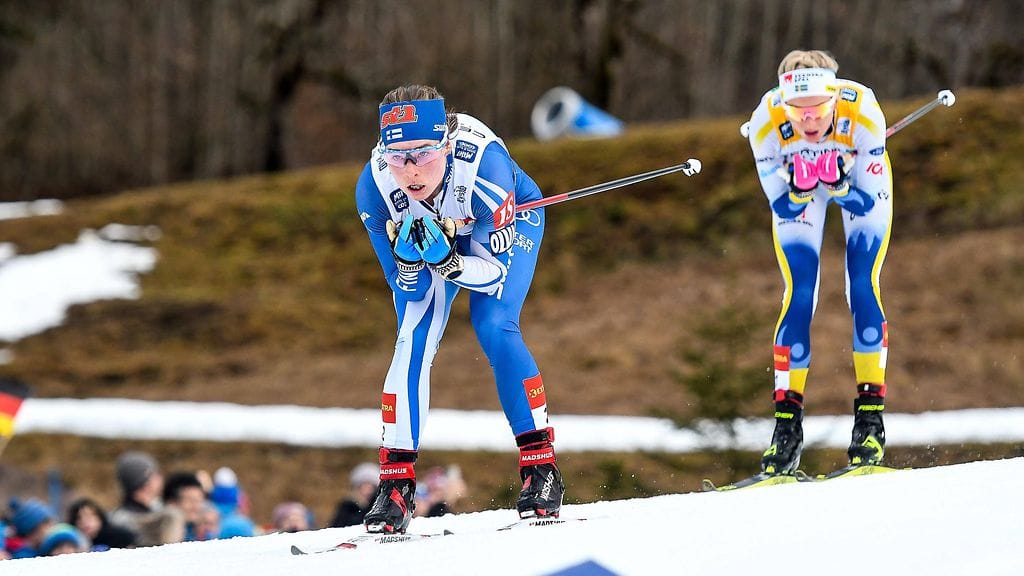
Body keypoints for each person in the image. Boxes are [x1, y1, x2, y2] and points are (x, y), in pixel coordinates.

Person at [355, 84, 563, 533]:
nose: (410, 170)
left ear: (446, 145)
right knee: (413, 335)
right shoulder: (375, 187)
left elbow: (490, 275)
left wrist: (448, 260)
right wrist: (411, 261)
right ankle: (396, 484)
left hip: (503, 219)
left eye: (424, 154)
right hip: (440, 239)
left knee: (493, 325)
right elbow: (405, 289)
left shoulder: (485, 169)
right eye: (397, 155)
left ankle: (540, 469)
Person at [746, 50, 891, 475]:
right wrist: (796, 189)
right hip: (802, 192)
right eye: (797, 111)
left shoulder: (863, 112)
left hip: (856, 183)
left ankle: (869, 425)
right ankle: (786, 432)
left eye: (818, 111)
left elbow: (866, 201)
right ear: (781, 102)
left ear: (834, 100)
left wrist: (841, 184)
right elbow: (782, 206)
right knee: (799, 294)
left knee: (861, 286)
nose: (808, 121)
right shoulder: (765, 121)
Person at [109, 450, 164, 536]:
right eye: (154, 474)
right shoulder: (122, 520)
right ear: (144, 482)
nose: (160, 477)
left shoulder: (159, 508)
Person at [67, 497, 137, 550]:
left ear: (100, 518)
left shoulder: (121, 537)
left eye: (89, 516)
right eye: (79, 518)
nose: (85, 522)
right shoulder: (71, 543)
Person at [328, 462, 378, 528]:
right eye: (363, 486)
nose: (367, 491)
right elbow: (336, 527)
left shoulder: (377, 508)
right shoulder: (347, 507)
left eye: (370, 487)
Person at [162, 471, 206, 541]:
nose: (196, 507)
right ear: (171, 503)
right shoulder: (160, 538)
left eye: (199, 500)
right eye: (190, 500)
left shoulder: (201, 532)